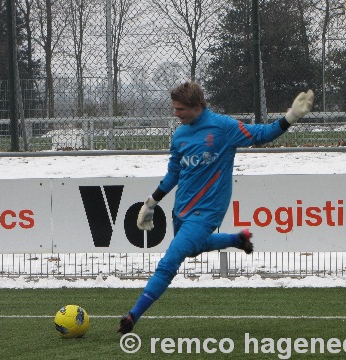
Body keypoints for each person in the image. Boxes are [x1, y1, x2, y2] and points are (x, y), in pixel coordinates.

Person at [117, 81, 314, 334]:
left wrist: (291, 117)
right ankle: (237, 239)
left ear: (197, 106)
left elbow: (261, 135)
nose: (175, 114)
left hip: (208, 212)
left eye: (180, 109)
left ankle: (133, 316)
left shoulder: (223, 127)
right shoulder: (180, 135)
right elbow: (173, 174)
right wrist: (151, 203)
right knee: (190, 250)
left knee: (170, 261)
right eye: (174, 109)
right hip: (183, 211)